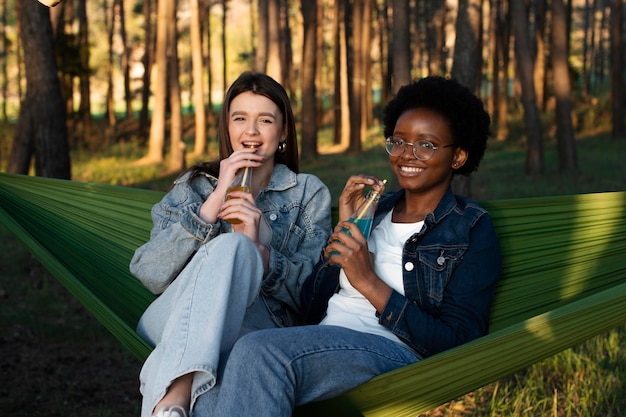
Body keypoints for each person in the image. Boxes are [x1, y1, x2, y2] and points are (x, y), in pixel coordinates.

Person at [192, 75, 503, 416]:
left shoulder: (470, 228)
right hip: (323, 340)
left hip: (393, 351)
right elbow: (311, 306)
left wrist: (367, 280)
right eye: (398, 142)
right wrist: (344, 230)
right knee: (215, 363)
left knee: (257, 352)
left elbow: (459, 341)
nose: (405, 155)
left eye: (426, 145)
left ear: (458, 156)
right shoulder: (376, 209)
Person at [129, 72, 332, 417]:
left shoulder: (307, 193)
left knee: (240, 257)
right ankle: (179, 387)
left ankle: (173, 399)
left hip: (258, 333)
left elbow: (315, 296)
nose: (250, 132)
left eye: (265, 120)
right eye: (240, 118)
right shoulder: (193, 187)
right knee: (233, 248)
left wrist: (262, 255)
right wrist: (214, 201)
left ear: (282, 132)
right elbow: (149, 273)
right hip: (172, 320)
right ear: (227, 126)